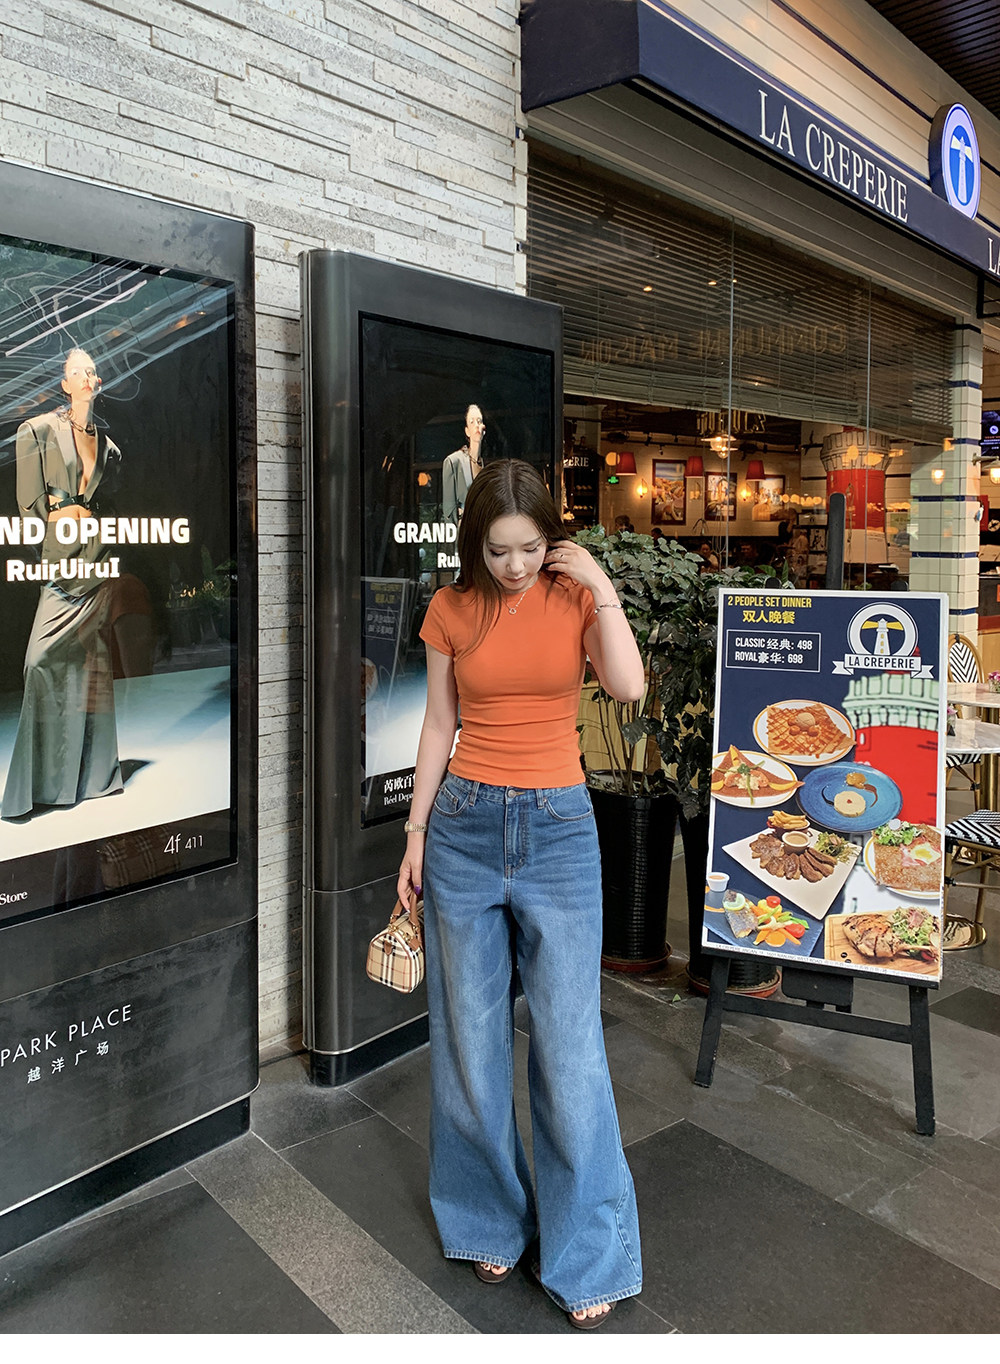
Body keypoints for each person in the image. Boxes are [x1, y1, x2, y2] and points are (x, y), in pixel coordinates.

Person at [397, 459, 644, 1329]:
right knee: (469, 1039)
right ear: (476, 542)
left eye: (531, 548)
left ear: (551, 538)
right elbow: (438, 724)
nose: (514, 566)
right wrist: (415, 834)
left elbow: (627, 686)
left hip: (559, 831)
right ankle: (486, 1219)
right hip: (462, 826)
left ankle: (588, 1255)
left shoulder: (574, 598)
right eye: (499, 550)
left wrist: (601, 586)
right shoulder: (449, 608)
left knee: (570, 1049)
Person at [2, 347, 124, 819]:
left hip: (98, 563)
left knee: (91, 666)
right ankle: (39, 784)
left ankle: (91, 779)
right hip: (59, 561)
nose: (88, 376)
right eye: (79, 371)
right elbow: (28, 507)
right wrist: (50, 547)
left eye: (93, 370)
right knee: (39, 662)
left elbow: (107, 504)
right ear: (65, 383)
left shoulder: (109, 447)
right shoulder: (37, 431)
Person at [441, 403, 485, 523]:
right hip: (462, 529)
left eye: (479, 421)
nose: (477, 425)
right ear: (467, 431)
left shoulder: (485, 467)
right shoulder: (453, 462)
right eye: (472, 422)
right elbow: (448, 512)